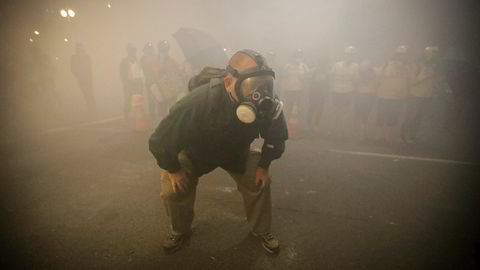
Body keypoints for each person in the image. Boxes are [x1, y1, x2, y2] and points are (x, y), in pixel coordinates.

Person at [149, 49, 288, 254]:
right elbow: (161, 140)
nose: (260, 93)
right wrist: (173, 169)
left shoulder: (266, 104)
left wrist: (264, 166)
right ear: (229, 82)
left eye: (265, 83)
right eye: (251, 85)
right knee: (172, 189)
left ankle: (261, 230)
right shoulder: (197, 102)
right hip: (196, 153)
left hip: (235, 153)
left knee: (259, 181)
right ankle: (179, 230)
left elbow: (276, 137)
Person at [401, 46, 442, 144]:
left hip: (427, 96)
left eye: (434, 54)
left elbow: (434, 83)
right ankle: (403, 135)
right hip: (415, 95)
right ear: (424, 54)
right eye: (430, 53)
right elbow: (411, 81)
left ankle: (412, 137)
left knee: (419, 118)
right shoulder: (416, 66)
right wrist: (424, 76)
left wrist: (437, 83)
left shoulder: (435, 67)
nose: (432, 56)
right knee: (411, 116)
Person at [375, 45, 413, 143]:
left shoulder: (407, 67)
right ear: (396, 55)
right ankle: (379, 135)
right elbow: (378, 77)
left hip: (398, 97)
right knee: (381, 115)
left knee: (393, 117)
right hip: (383, 94)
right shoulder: (386, 64)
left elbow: (409, 81)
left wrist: (406, 93)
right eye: (400, 54)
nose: (402, 57)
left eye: (404, 55)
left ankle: (388, 136)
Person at [329, 46, 359, 138]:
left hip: (348, 91)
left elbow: (356, 80)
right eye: (348, 55)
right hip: (336, 90)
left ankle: (341, 131)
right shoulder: (337, 65)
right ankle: (333, 129)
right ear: (345, 55)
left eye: (351, 55)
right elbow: (331, 76)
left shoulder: (356, 66)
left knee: (344, 112)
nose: (349, 57)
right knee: (335, 111)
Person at [354, 59, 377, 140]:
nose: (366, 68)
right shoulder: (359, 74)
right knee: (358, 114)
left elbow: (376, 83)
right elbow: (356, 82)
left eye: (367, 66)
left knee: (365, 114)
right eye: (364, 66)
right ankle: (357, 132)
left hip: (369, 96)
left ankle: (361, 133)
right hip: (360, 95)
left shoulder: (374, 74)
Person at [283, 49, 309, 120]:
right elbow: (283, 77)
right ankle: (286, 122)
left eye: (299, 55)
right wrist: (284, 88)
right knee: (288, 107)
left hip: (299, 90)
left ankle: (298, 124)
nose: (297, 57)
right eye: (296, 55)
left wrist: (303, 81)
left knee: (299, 108)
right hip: (289, 90)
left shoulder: (304, 66)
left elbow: (307, 78)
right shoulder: (287, 66)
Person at [119, 43, 144, 119]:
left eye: (134, 50)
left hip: (138, 83)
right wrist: (126, 83)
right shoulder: (124, 61)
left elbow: (141, 72)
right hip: (129, 84)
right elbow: (122, 74)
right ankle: (126, 116)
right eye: (131, 50)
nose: (133, 52)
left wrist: (141, 82)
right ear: (128, 52)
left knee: (139, 100)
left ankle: (139, 116)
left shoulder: (138, 61)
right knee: (128, 100)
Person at [70, 43, 96, 114]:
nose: (80, 49)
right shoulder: (74, 58)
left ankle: (93, 107)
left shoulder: (87, 57)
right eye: (78, 48)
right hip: (81, 79)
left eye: (81, 48)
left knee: (90, 93)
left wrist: (88, 76)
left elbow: (90, 67)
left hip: (88, 78)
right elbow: (72, 68)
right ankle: (91, 107)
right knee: (85, 93)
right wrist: (77, 75)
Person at [307, 56, 329, 132]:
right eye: (321, 63)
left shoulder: (326, 72)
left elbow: (327, 83)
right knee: (312, 108)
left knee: (319, 110)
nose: (322, 65)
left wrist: (326, 93)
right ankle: (309, 123)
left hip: (321, 93)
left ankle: (316, 124)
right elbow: (310, 83)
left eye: (323, 63)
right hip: (314, 92)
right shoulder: (314, 70)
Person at [140, 43, 159, 121]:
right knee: (151, 100)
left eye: (151, 49)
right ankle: (152, 116)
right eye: (148, 49)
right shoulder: (143, 59)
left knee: (159, 99)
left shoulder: (156, 57)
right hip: (149, 81)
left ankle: (161, 114)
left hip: (158, 81)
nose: (150, 51)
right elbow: (143, 69)